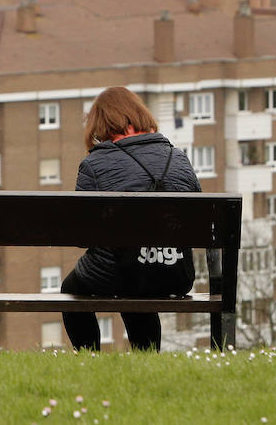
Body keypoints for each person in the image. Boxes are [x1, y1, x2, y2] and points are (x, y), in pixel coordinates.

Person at [61, 85, 202, 351]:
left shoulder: (94, 164)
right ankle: (147, 360)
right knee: (139, 279)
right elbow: (196, 222)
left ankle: (89, 360)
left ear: (101, 123)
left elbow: (81, 236)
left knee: (73, 290)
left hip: (117, 273)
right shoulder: (179, 158)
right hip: (174, 273)